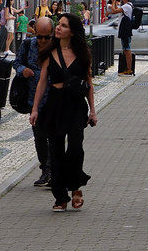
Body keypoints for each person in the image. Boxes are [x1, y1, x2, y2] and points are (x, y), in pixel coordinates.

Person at [29, 14, 97, 212]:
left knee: (75, 147)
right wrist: (35, 109)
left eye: (63, 25)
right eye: (58, 24)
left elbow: (89, 82)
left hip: (76, 104)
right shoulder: (49, 52)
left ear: (72, 31)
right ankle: (60, 197)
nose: (58, 28)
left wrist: (93, 110)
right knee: (56, 150)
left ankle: (75, 187)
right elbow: (42, 83)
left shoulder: (83, 53)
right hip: (55, 104)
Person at [14, 16, 54, 187]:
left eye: (47, 37)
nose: (43, 41)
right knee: (39, 136)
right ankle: (45, 169)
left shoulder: (58, 47)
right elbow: (16, 63)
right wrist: (23, 70)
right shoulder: (27, 45)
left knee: (53, 136)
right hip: (33, 99)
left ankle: (54, 170)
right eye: (39, 37)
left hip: (54, 98)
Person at [108, 0, 135, 75]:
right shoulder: (128, 6)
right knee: (126, 49)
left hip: (125, 31)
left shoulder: (127, 6)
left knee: (127, 49)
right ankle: (128, 68)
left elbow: (113, 11)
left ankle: (129, 69)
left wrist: (113, 2)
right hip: (125, 30)